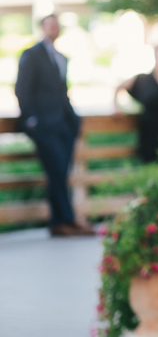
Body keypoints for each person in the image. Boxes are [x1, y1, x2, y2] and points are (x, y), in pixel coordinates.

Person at [14, 14, 93, 237]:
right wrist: (31, 120)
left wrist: (74, 119)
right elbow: (22, 89)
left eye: (56, 25)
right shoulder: (31, 54)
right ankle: (68, 219)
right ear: (42, 28)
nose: (53, 28)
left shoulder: (61, 57)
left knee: (60, 172)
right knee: (57, 169)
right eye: (49, 25)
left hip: (63, 125)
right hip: (43, 126)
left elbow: (62, 92)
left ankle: (58, 222)